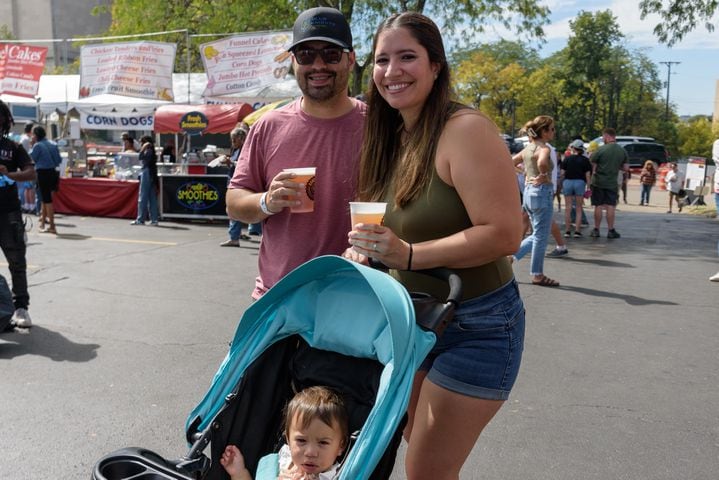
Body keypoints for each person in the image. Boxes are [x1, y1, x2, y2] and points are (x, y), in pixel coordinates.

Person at [345, 13, 525, 480]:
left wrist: (407, 255)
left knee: (425, 469)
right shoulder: (395, 134)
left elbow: (505, 233)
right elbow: (403, 224)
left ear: (436, 66)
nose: (392, 70)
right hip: (415, 319)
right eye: (382, 60)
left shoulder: (464, 129)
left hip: (478, 323)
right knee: (418, 447)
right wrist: (369, 253)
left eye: (408, 57)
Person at [226, 6, 366, 299]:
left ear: (350, 60)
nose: (318, 65)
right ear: (293, 62)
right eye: (305, 55)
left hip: (356, 296)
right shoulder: (268, 126)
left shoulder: (379, 126)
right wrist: (266, 201)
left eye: (331, 54)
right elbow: (234, 202)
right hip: (278, 298)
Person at [220, 386, 348, 480]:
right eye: (301, 441)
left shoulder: (338, 475)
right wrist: (239, 473)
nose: (310, 452)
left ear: (340, 446)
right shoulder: (282, 461)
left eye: (323, 442)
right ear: (288, 439)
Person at [511, 115, 560, 286]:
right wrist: (544, 175)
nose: (554, 132)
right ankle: (537, 274)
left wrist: (524, 174)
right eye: (552, 129)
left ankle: (510, 258)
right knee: (540, 237)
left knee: (538, 234)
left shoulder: (527, 149)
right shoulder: (544, 148)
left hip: (529, 193)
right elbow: (542, 163)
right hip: (541, 192)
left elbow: (511, 162)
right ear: (544, 132)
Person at [0, 100, 36, 329]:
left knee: (16, 260)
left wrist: (10, 174)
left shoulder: (12, 148)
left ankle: (21, 306)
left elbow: (31, 172)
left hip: (8, 213)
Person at [589, 127, 628, 239]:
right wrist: (616, 166)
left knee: (598, 206)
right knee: (611, 206)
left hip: (598, 182)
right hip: (612, 183)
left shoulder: (600, 150)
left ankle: (596, 229)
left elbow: (592, 164)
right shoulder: (622, 150)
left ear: (606, 136)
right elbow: (626, 168)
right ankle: (611, 230)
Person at [220, 126, 252, 246]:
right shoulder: (235, 150)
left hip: (239, 184)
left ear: (242, 139)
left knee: (233, 209)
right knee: (233, 210)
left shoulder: (246, 149)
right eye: (232, 140)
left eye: (234, 140)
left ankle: (235, 237)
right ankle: (236, 235)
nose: (232, 142)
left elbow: (245, 165)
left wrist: (231, 162)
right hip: (232, 181)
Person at [29, 125, 62, 234]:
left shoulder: (37, 145)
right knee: (45, 199)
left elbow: (31, 158)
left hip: (42, 173)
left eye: (33, 134)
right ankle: (42, 223)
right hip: (53, 172)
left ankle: (52, 226)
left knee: (46, 200)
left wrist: (31, 146)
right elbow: (58, 160)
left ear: (36, 135)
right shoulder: (53, 144)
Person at [561, 139, 592, 237]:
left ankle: (567, 231)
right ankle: (577, 231)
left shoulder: (567, 159)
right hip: (580, 182)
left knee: (568, 208)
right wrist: (588, 187)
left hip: (568, 182)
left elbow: (562, 173)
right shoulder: (585, 160)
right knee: (579, 207)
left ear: (573, 148)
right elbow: (587, 175)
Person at [130, 135, 159, 225]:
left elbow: (140, 157)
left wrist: (143, 148)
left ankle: (140, 219)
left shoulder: (148, 151)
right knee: (151, 197)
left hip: (146, 172)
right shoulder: (152, 151)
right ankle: (154, 219)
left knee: (143, 197)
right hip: (151, 174)